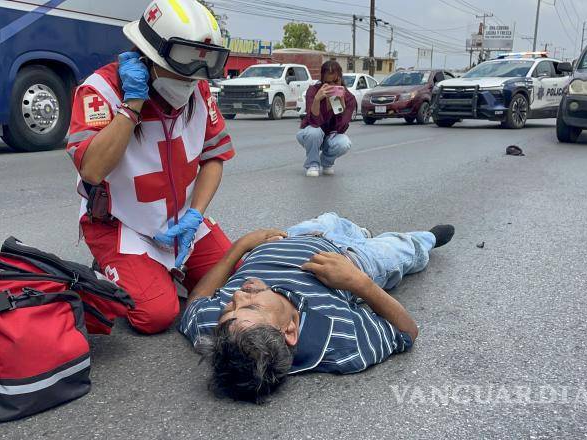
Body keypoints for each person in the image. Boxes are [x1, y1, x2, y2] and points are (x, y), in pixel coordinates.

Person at [66, 0, 235, 334]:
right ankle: (111, 267)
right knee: (155, 316)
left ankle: (161, 270)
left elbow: (214, 157)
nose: (192, 78)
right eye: (184, 65)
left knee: (233, 277)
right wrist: (131, 107)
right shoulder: (100, 90)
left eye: (202, 67)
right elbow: (92, 170)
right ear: (149, 54)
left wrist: (195, 215)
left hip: (180, 220)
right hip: (121, 224)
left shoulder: (198, 89)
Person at [179, 213, 455, 402]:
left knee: (330, 219)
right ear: (289, 330)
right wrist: (359, 283)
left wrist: (238, 248)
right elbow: (407, 331)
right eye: (251, 306)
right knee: (401, 249)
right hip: (354, 261)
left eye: (229, 308)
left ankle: (356, 231)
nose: (239, 295)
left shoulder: (220, 328)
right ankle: (423, 239)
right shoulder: (340, 341)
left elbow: (194, 304)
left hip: (293, 237)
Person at [297, 61, 357, 177]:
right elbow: (314, 123)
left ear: (340, 79)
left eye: (335, 81)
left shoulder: (349, 98)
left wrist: (341, 107)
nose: (332, 86)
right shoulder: (313, 91)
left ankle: (326, 162)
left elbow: (341, 128)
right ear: (322, 80)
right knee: (314, 132)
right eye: (327, 82)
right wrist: (317, 100)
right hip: (310, 135)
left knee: (344, 142)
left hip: (331, 136)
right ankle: (312, 164)